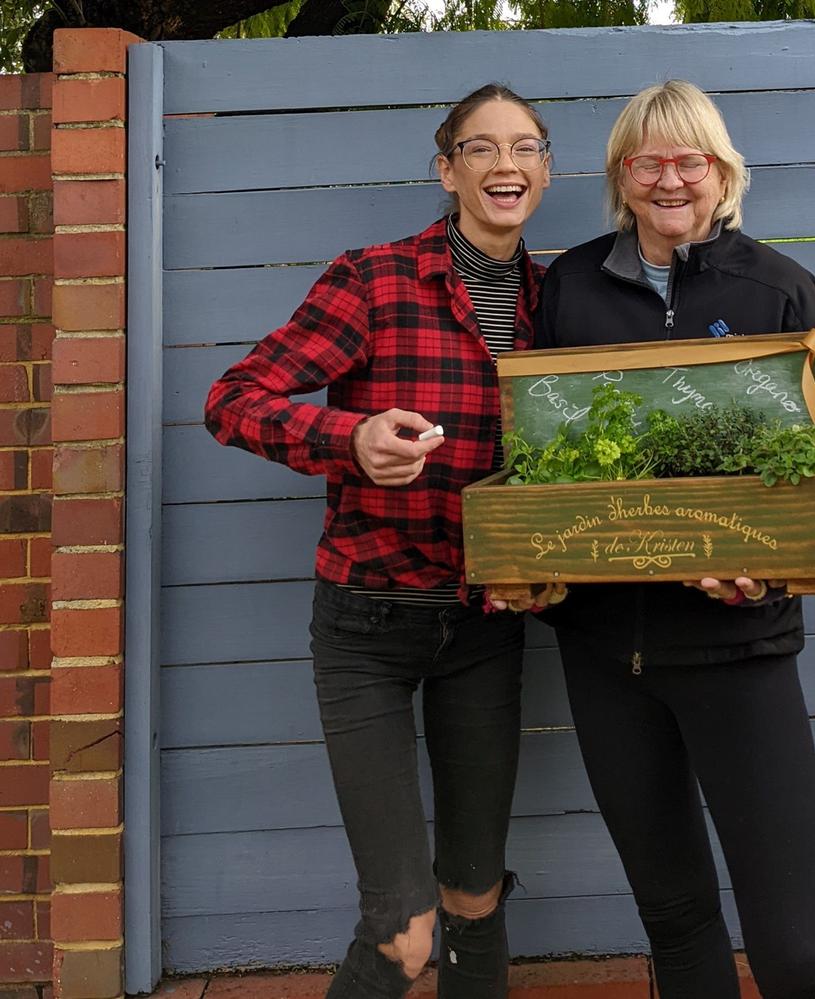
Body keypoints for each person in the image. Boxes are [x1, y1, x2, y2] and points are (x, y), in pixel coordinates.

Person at [204, 84, 553, 999]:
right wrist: (347, 439)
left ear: (546, 170)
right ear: (447, 171)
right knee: (403, 933)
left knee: (475, 897)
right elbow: (233, 399)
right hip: (367, 622)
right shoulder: (375, 279)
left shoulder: (556, 302)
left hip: (487, 624)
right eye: (481, 148)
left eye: (525, 147)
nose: (506, 164)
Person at [532, 80, 815, 999]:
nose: (669, 179)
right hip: (607, 656)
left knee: (795, 950)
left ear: (723, 172)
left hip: (738, 651)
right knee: (676, 928)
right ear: (620, 175)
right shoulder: (571, 285)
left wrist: (769, 572)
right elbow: (539, 450)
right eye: (647, 161)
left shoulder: (779, 288)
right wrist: (537, 564)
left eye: (690, 160)